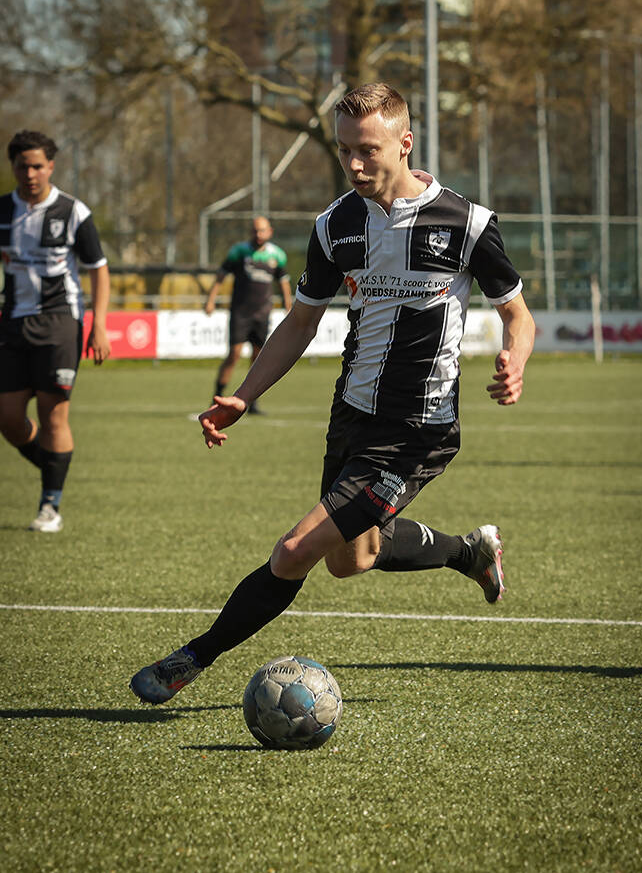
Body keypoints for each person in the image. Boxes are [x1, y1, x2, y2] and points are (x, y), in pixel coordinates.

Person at [130, 82, 535, 705]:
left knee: (296, 549)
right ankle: (469, 552)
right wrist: (243, 395)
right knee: (350, 559)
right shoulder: (335, 224)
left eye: (368, 150)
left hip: (417, 430)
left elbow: (517, 314)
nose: (354, 164)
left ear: (404, 143)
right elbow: (300, 322)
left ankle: (190, 659)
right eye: (345, 150)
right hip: (352, 415)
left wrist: (516, 360)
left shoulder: (467, 223)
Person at [0, 129, 111, 532]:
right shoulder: (3, 210)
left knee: (53, 414)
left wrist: (99, 325)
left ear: (50, 166)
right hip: (12, 321)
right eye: (22, 166)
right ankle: (52, 464)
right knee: (8, 417)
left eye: (36, 166)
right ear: (13, 167)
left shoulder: (73, 212)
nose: (29, 174)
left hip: (60, 321)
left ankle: (51, 504)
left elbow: (98, 269)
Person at [204, 216, 292, 414]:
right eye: (255, 230)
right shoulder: (239, 251)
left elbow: (283, 281)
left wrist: (288, 305)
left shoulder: (277, 255)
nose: (258, 234)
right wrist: (211, 299)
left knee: (257, 358)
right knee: (234, 355)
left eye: (262, 230)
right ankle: (216, 397)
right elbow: (221, 276)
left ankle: (253, 402)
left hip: (263, 313)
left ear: (270, 232)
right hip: (240, 313)